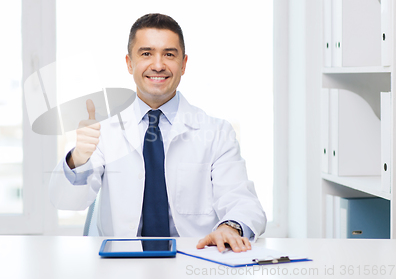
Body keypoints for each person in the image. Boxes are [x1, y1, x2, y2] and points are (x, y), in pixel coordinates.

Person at [49, 13, 266, 253]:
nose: (158, 64)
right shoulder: (105, 130)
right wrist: (79, 157)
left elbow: (242, 200)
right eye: (146, 53)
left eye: (169, 54)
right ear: (129, 63)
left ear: (183, 64)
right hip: (122, 265)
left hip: (195, 260)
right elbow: (67, 201)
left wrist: (230, 227)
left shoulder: (216, 132)